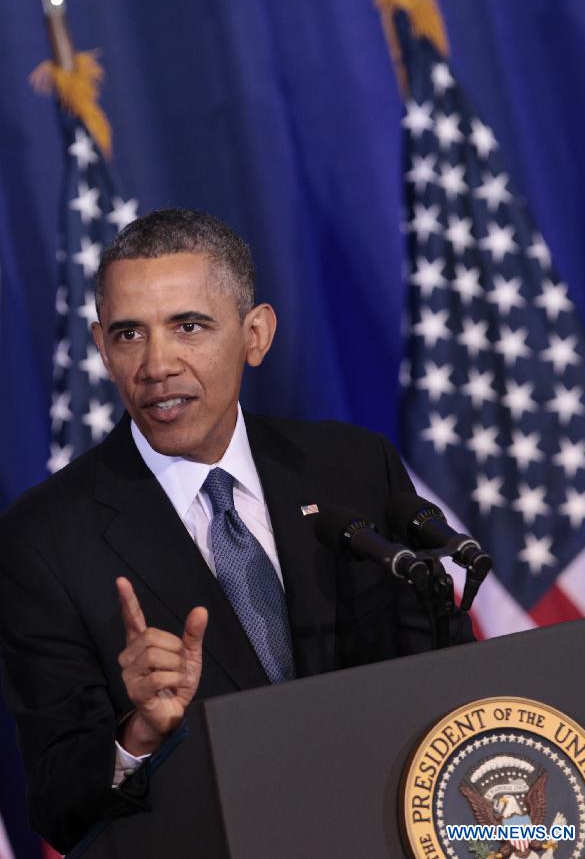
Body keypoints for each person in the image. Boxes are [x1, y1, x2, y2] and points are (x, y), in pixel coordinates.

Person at [0, 209, 472, 853]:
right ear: (101, 347)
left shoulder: (353, 468)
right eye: (129, 334)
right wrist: (137, 735)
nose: (156, 364)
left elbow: (438, 680)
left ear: (256, 334)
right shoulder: (44, 538)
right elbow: (56, 802)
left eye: (188, 327)